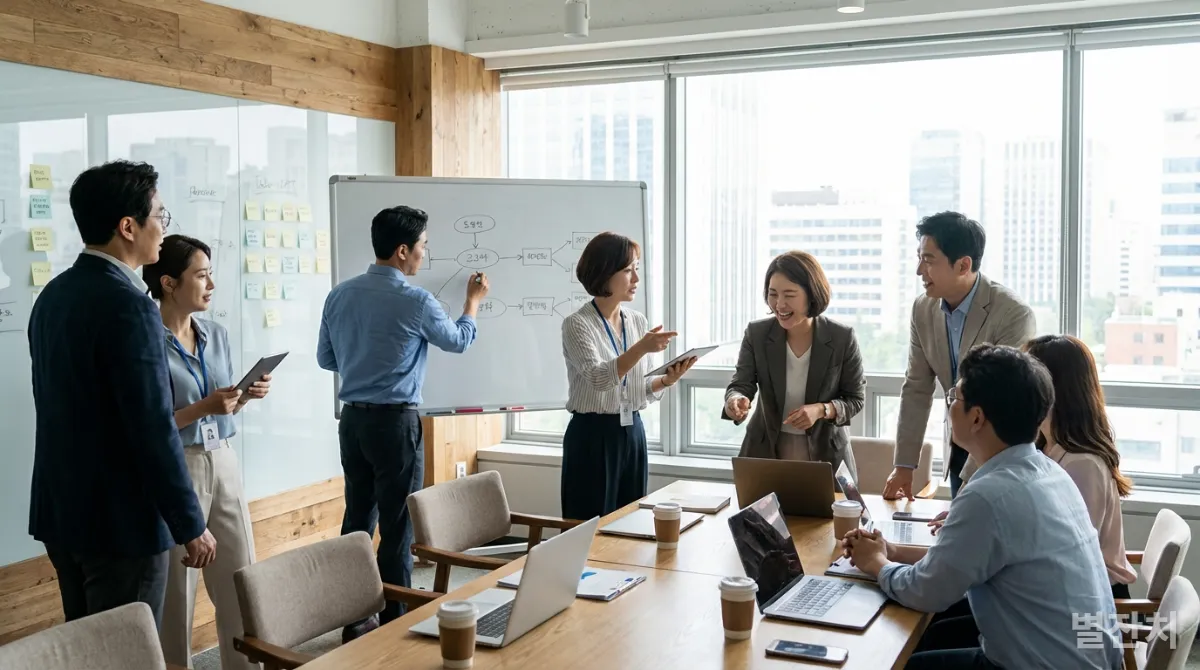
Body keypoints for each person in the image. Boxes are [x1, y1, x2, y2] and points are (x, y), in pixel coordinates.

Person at [843, 344, 1122, 670]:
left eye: (954, 398)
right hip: (1086, 658)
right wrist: (890, 550)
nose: (949, 408)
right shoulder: (1048, 472)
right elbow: (959, 563)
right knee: (928, 642)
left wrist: (876, 563)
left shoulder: (989, 496)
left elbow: (925, 592)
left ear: (976, 417)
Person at [28, 161, 214, 630]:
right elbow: (151, 425)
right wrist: (189, 523)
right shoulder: (130, 306)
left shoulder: (53, 295)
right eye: (160, 216)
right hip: (121, 522)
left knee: (86, 650)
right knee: (123, 652)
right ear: (127, 227)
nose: (163, 228)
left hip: (63, 513)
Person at [317, 205, 488, 636]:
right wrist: (472, 303)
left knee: (356, 520)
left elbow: (325, 359)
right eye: (423, 247)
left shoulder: (339, 295)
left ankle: (352, 617)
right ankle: (396, 622)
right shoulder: (415, 301)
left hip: (352, 422)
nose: (424, 257)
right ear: (401, 251)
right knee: (397, 527)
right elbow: (457, 341)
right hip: (395, 425)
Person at [144, 235, 271, 670]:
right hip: (178, 467)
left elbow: (223, 401)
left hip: (224, 458)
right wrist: (204, 407)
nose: (211, 283)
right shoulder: (145, 340)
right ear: (168, 283)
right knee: (178, 593)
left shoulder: (215, 333)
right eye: (200, 275)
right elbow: (148, 423)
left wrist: (246, 396)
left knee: (241, 581)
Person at [883, 211, 1036, 501]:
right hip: (958, 441)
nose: (919, 271)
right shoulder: (923, 310)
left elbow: (1002, 404)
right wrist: (904, 465)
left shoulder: (1013, 314)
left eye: (929, 260)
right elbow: (916, 388)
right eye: (919, 258)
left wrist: (970, 486)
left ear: (963, 265)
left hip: (998, 453)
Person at [560, 232, 696, 520]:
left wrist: (667, 380)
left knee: (630, 520)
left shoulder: (636, 321)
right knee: (589, 524)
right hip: (592, 435)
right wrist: (642, 347)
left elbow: (635, 387)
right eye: (627, 270)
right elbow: (599, 379)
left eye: (637, 268)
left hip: (632, 430)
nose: (636, 278)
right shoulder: (576, 324)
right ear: (604, 272)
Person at [722, 250, 865, 481]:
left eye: (789, 295)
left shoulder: (841, 337)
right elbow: (741, 384)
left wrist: (821, 410)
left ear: (811, 295)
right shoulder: (757, 334)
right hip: (766, 452)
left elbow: (855, 399)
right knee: (760, 517)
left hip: (826, 456)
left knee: (824, 518)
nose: (779, 304)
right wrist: (734, 400)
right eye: (772, 294)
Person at [1024, 334, 1137, 600]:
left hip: (1090, 600)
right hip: (1060, 588)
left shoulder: (1083, 465)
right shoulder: (1046, 446)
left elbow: (1072, 552)